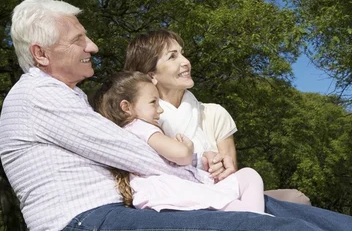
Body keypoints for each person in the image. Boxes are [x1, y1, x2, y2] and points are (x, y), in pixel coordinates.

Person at [0, 0, 352, 231]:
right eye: (79, 38)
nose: (92, 45)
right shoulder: (37, 96)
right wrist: (198, 164)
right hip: (82, 228)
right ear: (41, 53)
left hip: (111, 215)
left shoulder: (64, 96)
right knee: (236, 228)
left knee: (265, 205)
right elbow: (130, 152)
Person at [123, 29, 312, 206]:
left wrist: (222, 166)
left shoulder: (214, 113)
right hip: (173, 202)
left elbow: (232, 178)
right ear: (151, 75)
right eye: (173, 56)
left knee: (295, 199)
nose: (186, 61)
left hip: (222, 196)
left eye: (182, 53)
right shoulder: (139, 122)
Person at [94, 70, 266, 214]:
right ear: (126, 107)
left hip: (173, 189)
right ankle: (258, 223)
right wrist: (188, 147)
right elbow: (182, 156)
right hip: (174, 189)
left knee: (246, 178)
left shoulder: (131, 130)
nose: (159, 109)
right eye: (153, 102)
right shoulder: (140, 127)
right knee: (244, 183)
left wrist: (203, 157)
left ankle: (256, 219)